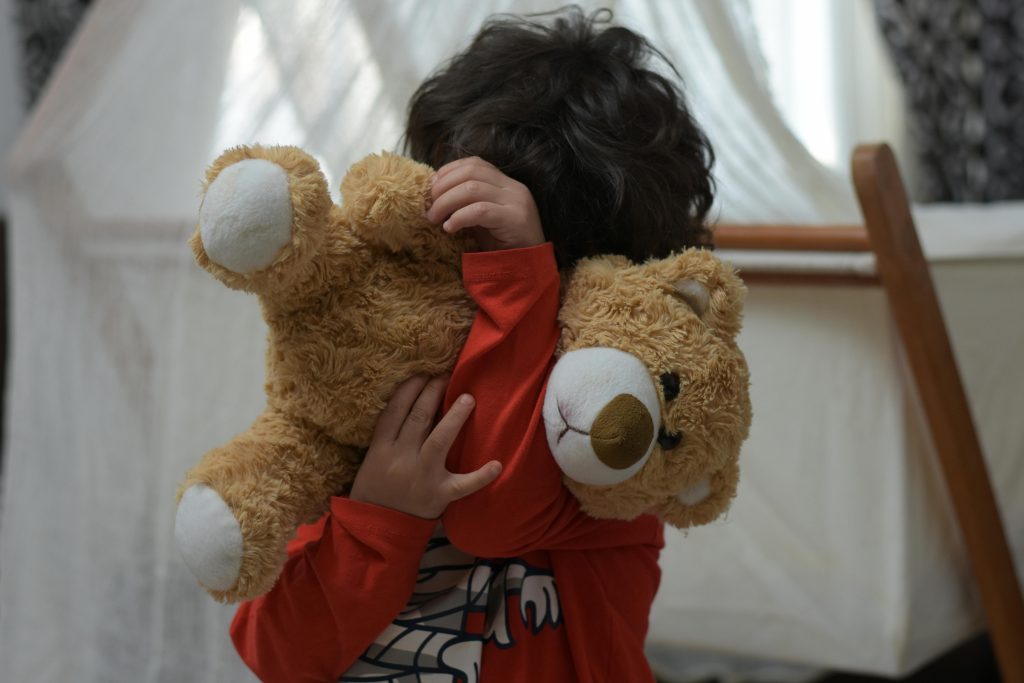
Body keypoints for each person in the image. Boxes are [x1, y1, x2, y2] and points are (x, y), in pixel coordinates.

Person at [230, 7, 716, 682]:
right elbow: (275, 654)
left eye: (515, 280)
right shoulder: (371, 414)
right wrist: (373, 518)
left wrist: (520, 280)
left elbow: (493, 507)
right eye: (463, 252)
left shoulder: (618, 445)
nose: (481, 296)